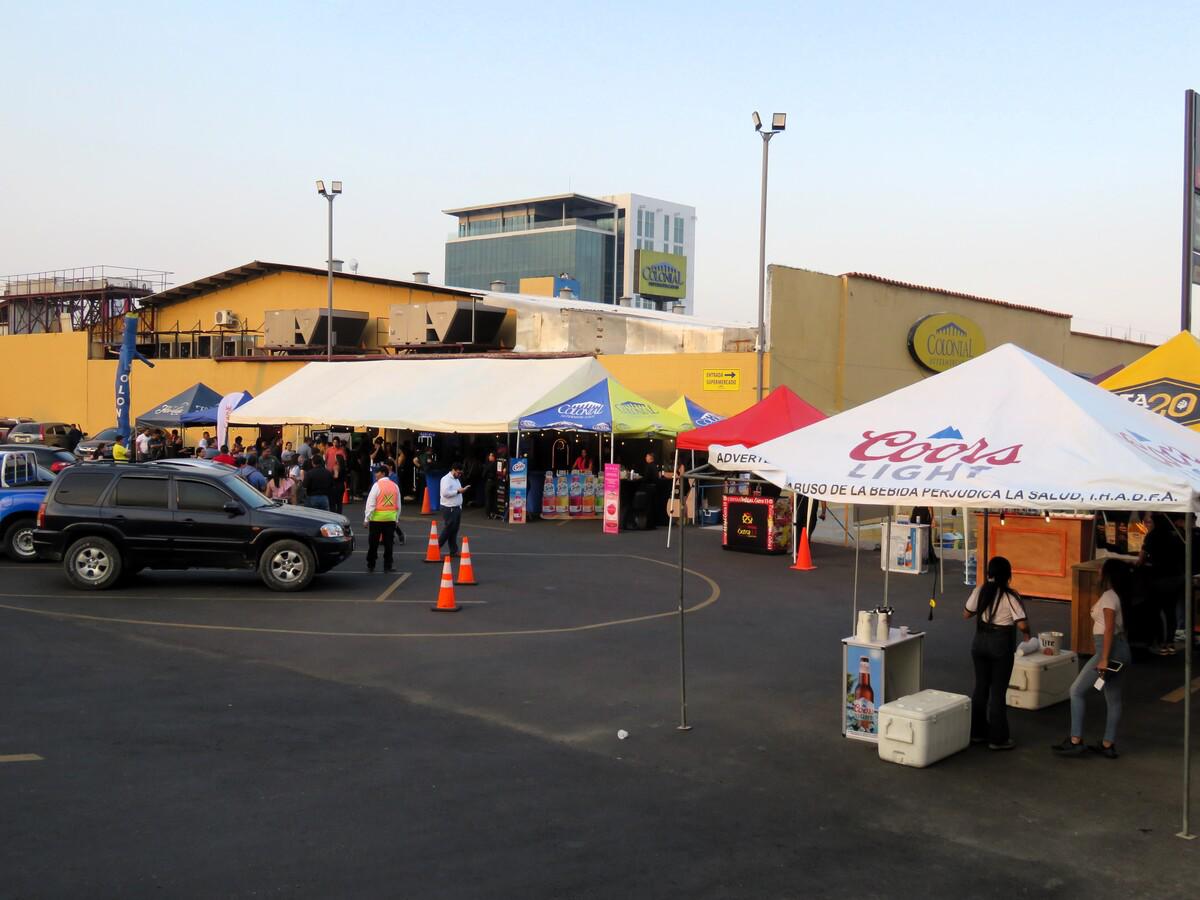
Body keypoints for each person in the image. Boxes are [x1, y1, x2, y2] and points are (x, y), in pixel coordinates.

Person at [1054, 558, 1133, 759]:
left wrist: (1104, 658)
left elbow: (1108, 629)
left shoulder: (1108, 596)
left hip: (1109, 650)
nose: (1098, 571)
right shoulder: (1120, 596)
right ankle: (1108, 743)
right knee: (1113, 699)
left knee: (1076, 691)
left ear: (1109, 575)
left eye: (1102, 570)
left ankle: (1075, 740)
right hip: (1122, 650)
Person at [963, 556, 1031, 750]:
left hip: (979, 643)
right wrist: (1027, 635)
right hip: (1001, 644)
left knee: (981, 687)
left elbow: (966, 614)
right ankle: (998, 738)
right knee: (998, 691)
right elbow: (1022, 623)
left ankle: (977, 732)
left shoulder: (980, 590)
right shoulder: (1010, 595)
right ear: (1008, 575)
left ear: (989, 573)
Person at [1137, 513, 1185, 655]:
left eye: (1149, 521)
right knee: (1171, 612)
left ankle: (1159, 643)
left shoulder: (1152, 536)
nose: (1147, 523)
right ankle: (1170, 643)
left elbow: (1141, 559)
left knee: (1156, 612)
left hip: (1158, 578)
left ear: (1155, 523)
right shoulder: (1177, 534)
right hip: (1176, 578)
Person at [363, 465, 403, 573]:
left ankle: (371, 564)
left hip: (376, 520)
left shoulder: (376, 486)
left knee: (373, 544)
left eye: (377, 472)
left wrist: (367, 518)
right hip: (390, 520)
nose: (376, 474)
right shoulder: (395, 486)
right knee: (388, 544)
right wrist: (396, 519)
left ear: (383, 473)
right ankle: (388, 565)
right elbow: (398, 505)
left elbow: (371, 503)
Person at [438, 460, 469, 558]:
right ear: (453, 470)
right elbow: (445, 493)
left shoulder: (456, 479)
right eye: (458, 472)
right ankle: (436, 547)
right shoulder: (446, 479)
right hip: (449, 507)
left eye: (460, 473)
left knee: (454, 530)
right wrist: (458, 491)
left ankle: (453, 550)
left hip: (456, 507)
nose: (459, 474)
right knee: (448, 529)